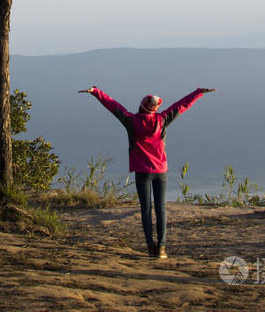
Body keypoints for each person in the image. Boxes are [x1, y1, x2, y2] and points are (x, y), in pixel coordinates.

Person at [79, 85, 216, 259]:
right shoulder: (162, 119)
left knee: (146, 209)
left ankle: (150, 246)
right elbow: (180, 106)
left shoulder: (131, 120)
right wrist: (198, 93)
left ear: (141, 106)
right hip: (161, 170)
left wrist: (95, 92)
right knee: (161, 208)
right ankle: (162, 248)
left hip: (142, 171)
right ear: (155, 108)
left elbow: (114, 106)